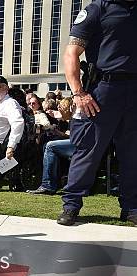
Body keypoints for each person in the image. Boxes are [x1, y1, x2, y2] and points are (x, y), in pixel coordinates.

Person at [58, 0, 137, 226]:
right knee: (88, 149)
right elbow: (72, 52)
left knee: (133, 154)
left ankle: (131, 208)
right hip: (103, 90)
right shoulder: (98, 9)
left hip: (134, 92)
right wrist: (78, 93)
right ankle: (71, 205)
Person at [27, 97, 75, 194]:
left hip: (81, 145)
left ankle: (48, 185)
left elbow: (73, 137)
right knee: (49, 145)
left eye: (61, 109)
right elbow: (69, 135)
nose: (60, 112)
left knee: (50, 146)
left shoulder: (76, 119)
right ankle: (55, 181)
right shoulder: (73, 119)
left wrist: (57, 131)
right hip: (77, 143)